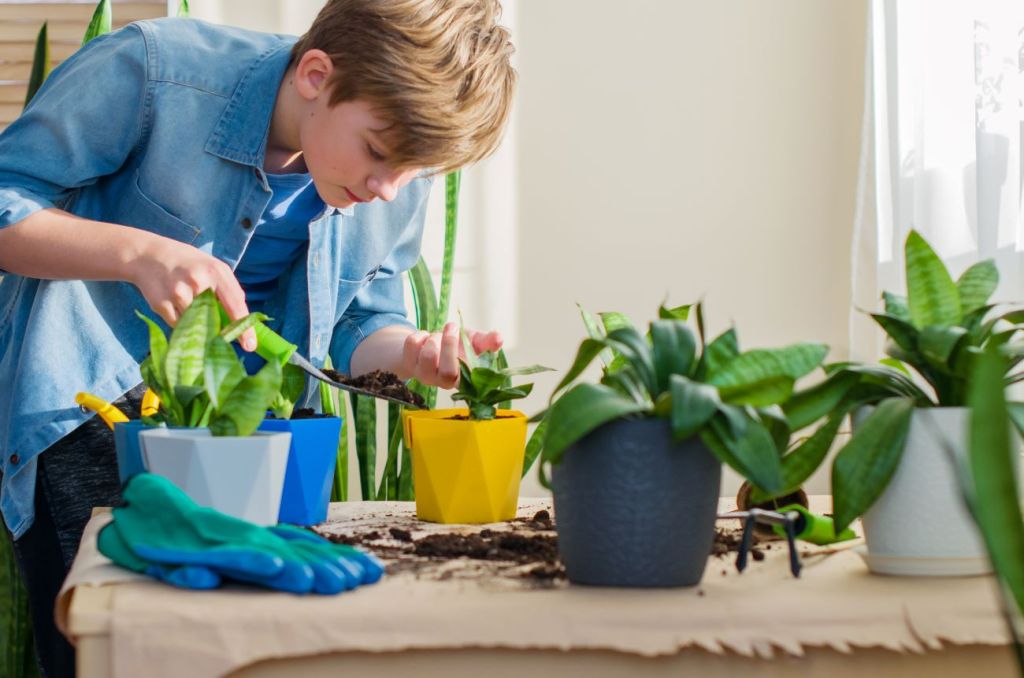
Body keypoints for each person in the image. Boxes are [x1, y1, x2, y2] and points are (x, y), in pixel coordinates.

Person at [0, 0, 515, 674]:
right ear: (315, 76)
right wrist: (140, 255)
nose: (389, 190)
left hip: (259, 434)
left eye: (414, 172)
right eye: (380, 153)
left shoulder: (392, 179)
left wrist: (409, 353)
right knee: (112, 645)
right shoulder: (155, 70)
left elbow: (362, 322)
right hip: (94, 411)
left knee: (241, 647)